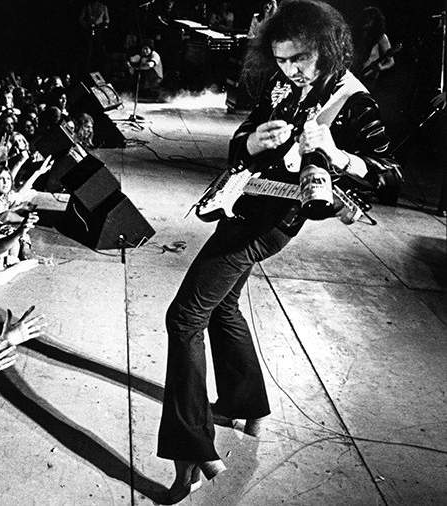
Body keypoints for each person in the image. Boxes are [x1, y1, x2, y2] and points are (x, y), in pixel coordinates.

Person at [156, 1, 400, 502]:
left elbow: (390, 177)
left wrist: (337, 156)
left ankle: (191, 449)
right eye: (282, 59)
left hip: (272, 222)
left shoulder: (354, 102)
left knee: (184, 317)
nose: (290, 70)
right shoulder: (282, 84)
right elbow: (243, 137)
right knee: (222, 304)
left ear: (327, 48)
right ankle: (245, 403)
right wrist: (250, 142)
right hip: (246, 201)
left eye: (300, 59)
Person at [354, 7, 396, 88]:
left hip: (368, 80)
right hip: (355, 75)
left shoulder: (381, 38)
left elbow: (391, 62)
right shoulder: (360, 33)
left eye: (369, 20)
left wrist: (381, 68)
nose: (366, 24)